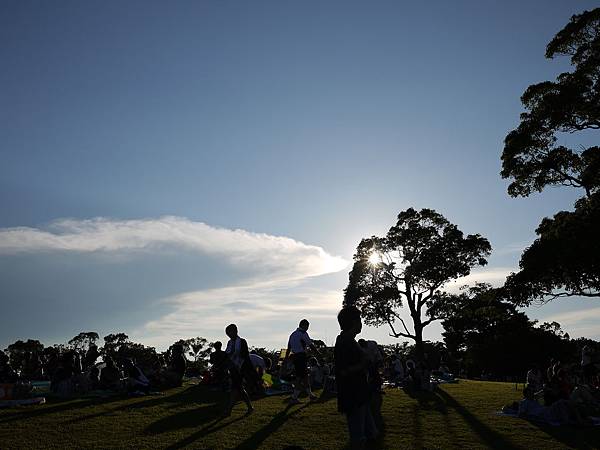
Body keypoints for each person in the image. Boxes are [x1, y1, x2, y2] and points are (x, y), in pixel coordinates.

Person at [334, 306, 378, 449]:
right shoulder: (344, 342)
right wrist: (363, 363)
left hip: (360, 393)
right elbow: (343, 371)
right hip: (353, 394)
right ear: (353, 322)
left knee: (371, 433)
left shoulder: (349, 340)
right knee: (358, 437)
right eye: (359, 319)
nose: (361, 323)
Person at [284, 319, 321, 404]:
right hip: (301, 357)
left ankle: (311, 395)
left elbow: (289, 347)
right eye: (307, 327)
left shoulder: (292, 334)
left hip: (295, 357)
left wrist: (286, 358)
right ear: (304, 326)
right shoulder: (303, 333)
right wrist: (318, 354)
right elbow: (310, 345)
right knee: (300, 377)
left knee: (304, 377)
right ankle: (294, 397)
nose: (307, 328)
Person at [224, 324, 253, 415]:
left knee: (235, 389)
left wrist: (233, 355)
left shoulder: (242, 341)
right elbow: (227, 354)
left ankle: (229, 409)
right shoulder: (229, 343)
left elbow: (244, 355)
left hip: (240, 368)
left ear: (236, 331)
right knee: (239, 388)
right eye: (228, 333)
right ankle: (249, 407)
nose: (229, 334)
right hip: (233, 368)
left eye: (230, 332)